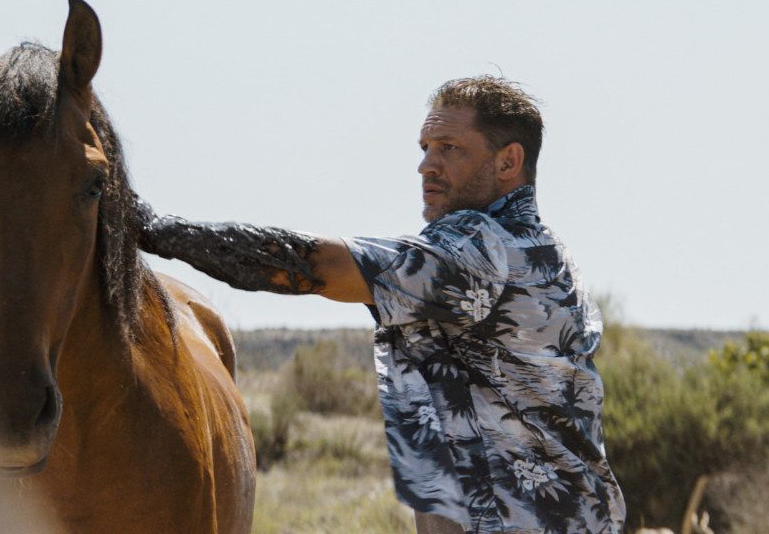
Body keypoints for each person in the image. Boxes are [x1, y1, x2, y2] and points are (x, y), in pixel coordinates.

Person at [136, 76, 626, 533]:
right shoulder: (543, 253)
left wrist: (156, 232)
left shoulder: (484, 249)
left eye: (449, 149)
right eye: (425, 148)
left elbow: (318, 266)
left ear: (507, 162)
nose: (426, 166)